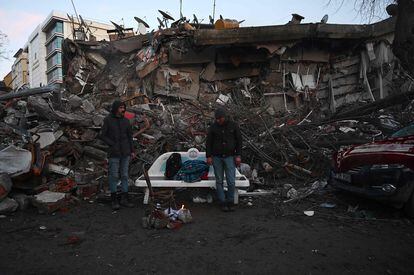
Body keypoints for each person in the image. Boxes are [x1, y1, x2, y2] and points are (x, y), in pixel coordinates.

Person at [101, 100, 135, 210]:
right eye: (121, 108)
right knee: (114, 176)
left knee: (125, 175)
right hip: (114, 153)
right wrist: (112, 144)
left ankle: (124, 199)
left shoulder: (126, 121)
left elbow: (130, 137)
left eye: (123, 107)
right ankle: (114, 200)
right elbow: (102, 135)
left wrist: (132, 150)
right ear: (116, 108)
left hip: (125, 152)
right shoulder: (108, 120)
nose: (123, 110)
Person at [206, 107, 242, 212]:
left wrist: (238, 155)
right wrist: (208, 156)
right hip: (216, 157)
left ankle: (230, 201)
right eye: (216, 119)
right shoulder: (213, 127)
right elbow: (208, 143)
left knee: (231, 181)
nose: (218, 120)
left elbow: (239, 141)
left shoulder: (233, 126)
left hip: (230, 157)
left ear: (225, 117)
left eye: (220, 118)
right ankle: (222, 202)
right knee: (219, 181)